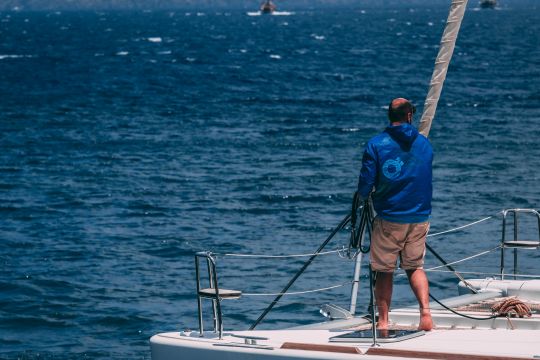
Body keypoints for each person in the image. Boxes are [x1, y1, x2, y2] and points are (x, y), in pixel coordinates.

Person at [357, 98, 433, 331]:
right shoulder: (425, 144)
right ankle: (426, 315)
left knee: (384, 270)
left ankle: (383, 321)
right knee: (414, 267)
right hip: (419, 218)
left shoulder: (376, 144)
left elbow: (365, 186)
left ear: (389, 116)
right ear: (410, 116)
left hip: (390, 217)